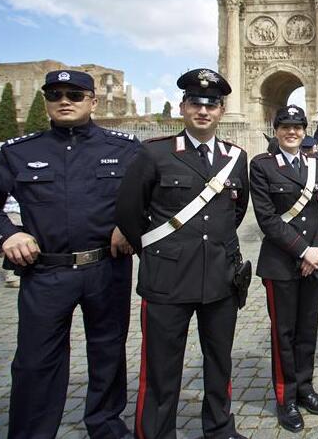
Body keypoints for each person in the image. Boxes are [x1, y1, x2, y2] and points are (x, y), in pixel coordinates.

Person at [0, 69, 139, 439]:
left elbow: (155, 194)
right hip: (45, 271)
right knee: (36, 362)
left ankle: (106, 426)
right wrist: (6, 233)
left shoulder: (124, 149)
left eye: (75, 94)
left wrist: (131, 225)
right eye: (56, 94)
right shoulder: (20, 152)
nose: (65, 100)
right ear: (46, 101)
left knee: (108, 355)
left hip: (105, 268)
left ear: (93, 102)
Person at [116, 68, 250, 439]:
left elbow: (235, 213)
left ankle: (219, 428)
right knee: (161, 368)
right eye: (196, 103)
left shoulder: (235, 157)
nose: (203, 111)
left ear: (222, 110)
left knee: (219, 361)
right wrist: (161, 253)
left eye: (212, 104)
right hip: (167, 279)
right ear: (183, 107)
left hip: (220, 279)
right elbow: (129, 213)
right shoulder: (154, 153)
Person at [250, 105, 318, 433]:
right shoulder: (261, 167)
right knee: (283, 333)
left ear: (304, 130)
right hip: (281, 263)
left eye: (298, 127)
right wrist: (303, 250)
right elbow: (267, 218)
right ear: (276, 130)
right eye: (285, 126)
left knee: (307, 330)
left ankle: (305, 388)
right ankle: (285, 397)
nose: (292, 132)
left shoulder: (317, 163)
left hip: (314, 261)